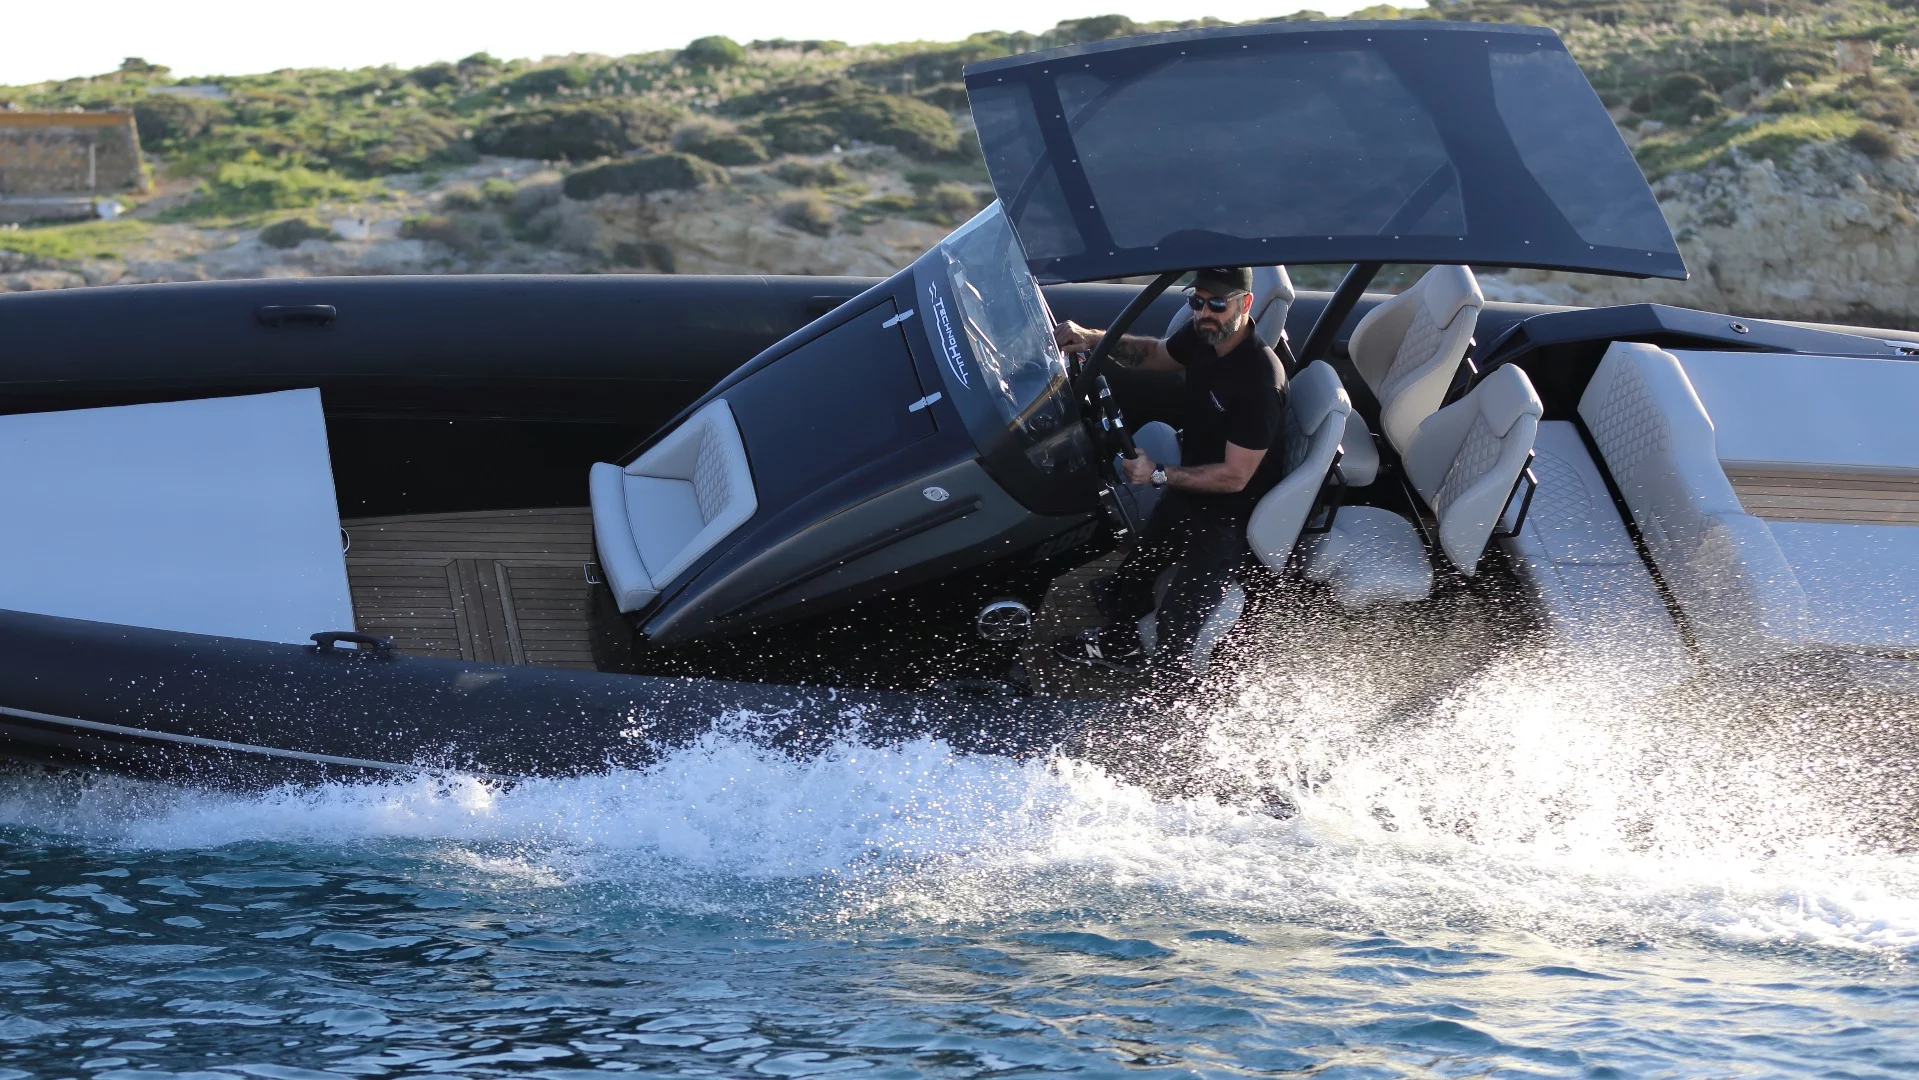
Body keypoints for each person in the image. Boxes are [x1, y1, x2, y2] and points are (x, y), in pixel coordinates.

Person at [1052, 266, 1289, 673]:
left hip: (1232, 514)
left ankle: (1170, 694)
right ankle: (1122, 640)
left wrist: (1158, 473)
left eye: (1217, 303)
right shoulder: (1204, 336)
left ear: (1245, 304)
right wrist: (1092, 340)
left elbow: (1236, 477)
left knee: (1177, 635)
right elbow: (1158, 354)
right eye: (1196, 301)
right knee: (1135, 573)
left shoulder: (1259, 382)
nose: (1204, 312)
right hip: (1192, 486)